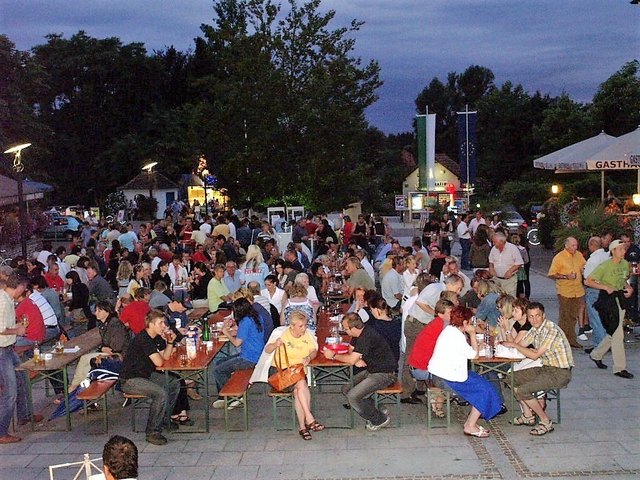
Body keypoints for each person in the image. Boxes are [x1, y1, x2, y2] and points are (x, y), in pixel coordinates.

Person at [428, 306, 502, 438]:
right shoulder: (457, 336)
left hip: (441, 372)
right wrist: (473, 334)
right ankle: (470, 426)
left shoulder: (449, 330)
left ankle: (470, 422)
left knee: (482, 383)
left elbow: (466, 351)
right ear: (465, 323)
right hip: (448, 377)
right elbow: (474, 356)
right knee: (485, 390)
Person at [503, 302, 574, 435]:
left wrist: (517, 346)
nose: (534, 319)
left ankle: (545, 421)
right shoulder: (535, 330)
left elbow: (534, 355)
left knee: (523, 390)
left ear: (544, 315)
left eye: (537, 316)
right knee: (509, 378)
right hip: (545, 368)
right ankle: (528, 415)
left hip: (560, 373)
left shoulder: (551, 330)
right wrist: (508, 331)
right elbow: (518, 345)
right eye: (531, 317)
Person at [251, 311, 324, 440]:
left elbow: (314, 350)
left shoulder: (307, 335)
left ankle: (303, 426)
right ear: (292, 326)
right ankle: (309, 419)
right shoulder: (282, 335)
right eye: (301, 326)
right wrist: (275, 344)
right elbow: (267, 350)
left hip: (298, 373)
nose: (304, 328)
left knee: (299, 389)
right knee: (301, 384)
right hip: (281, 374)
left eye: (305, 325)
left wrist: (308, 357)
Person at [322, 313, 396, 430]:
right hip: (372, 370)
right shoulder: (361, 333)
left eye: (346, 329)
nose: (345, 331)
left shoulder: (366, 336)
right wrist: (358, 358)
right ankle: (376, 409)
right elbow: (351, 352)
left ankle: (379, 419)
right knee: (346, 389)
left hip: (384, 374)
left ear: (354, 328)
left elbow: (351, 359)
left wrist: (333, 355)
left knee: (353, 396)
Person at [120, 309, 180, 445]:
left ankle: (164, 418)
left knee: (174, 382)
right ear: (150, 324)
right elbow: (159, 362)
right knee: (160, 394)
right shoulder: (144, 339)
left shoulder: (152, 338)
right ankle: (152, 432)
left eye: (164, 323)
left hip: (145, 375)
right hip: (130, 380)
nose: (164, 326)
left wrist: (170, 342)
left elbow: (164, 357)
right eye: (160, 323)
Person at [0, 272, 44, 444]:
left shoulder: (8, 300)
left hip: (8, 348)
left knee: (23, 377)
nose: (24, 291)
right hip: (2, 350)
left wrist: (16, 327)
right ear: (19, 287)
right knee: (10, 391)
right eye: (24, 288)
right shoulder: (3, 302)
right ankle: (2, 431)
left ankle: (24, 414)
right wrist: (17, 331)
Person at [584, 239, 634, 379]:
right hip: (607, 300)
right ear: (613, 251)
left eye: (624, 249)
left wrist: (628, 288)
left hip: (620, 299)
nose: (624, 251)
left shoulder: (624, 264)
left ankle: (596, 354)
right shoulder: (605, 265)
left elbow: (623, 280)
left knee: (614, 330)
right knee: (618, 333)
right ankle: (619, 368)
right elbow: (588, 281)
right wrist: (605, 287)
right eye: (620, 249)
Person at [212, 298, 265, 408]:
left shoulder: (245, 321)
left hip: (249, 358)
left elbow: (237, 343)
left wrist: (227, 333)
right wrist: (235, 326)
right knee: (220, 362)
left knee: (218, 370)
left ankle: (228, 396)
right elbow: (246, 333)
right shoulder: (256, 317)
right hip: (257, 354)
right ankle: (228, 392)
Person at [69, 301, 131, 393]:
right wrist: (102, 348)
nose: (96, 313)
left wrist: (103, 348)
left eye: (99, 310)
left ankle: (74, 388)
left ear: (107, 312)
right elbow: (104, 344)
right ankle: (81, 389)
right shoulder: (103, 324)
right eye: (96, 310)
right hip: (109, 353)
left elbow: (116, 347)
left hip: (119, 356)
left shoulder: (115, 324)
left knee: (85, 360)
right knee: (86, 364)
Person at [547, 237, 586, 349]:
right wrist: (565, 277)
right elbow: (551, 274)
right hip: (564, 291)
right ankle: (561, 342)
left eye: (576, 245)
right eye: (573, 245)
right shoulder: (559, 257)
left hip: (577, 291)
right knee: (565, 317)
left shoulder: (578, 255)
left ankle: (571, 340)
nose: (575, 247)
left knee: (573, 316)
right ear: (566, 246)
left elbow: (584, 266)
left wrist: (585, 270)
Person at [488, 232, 523, 297]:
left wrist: (510, 271)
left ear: (501, 241)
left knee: (510, 299)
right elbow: (491, 261)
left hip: (509, 280)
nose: (493, 244)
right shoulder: (493, 249)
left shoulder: (512, 248)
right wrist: (491, 268)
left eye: (495, 242)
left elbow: (519, 262)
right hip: (496, 279)